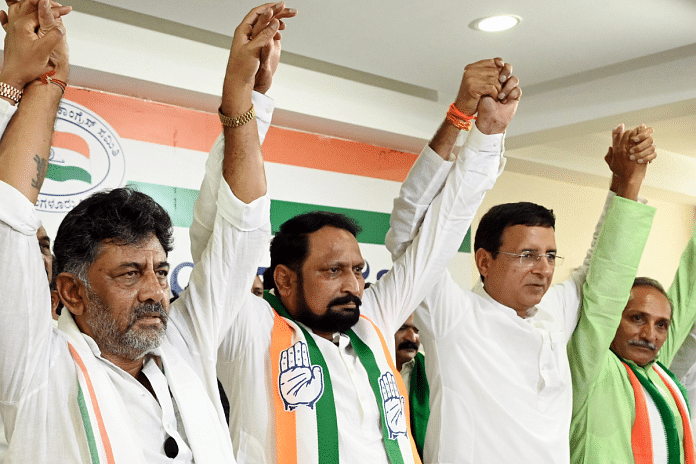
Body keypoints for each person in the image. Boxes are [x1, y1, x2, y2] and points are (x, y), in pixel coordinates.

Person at [192, 13, 520, 460]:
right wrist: (250, 99)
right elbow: (223, 233)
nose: (352, 284)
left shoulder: (373, 325)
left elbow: (443, 230)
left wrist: (485, 132)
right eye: (332, 270)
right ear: (284, 280)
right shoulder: (247, 332)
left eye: (357, 270)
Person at [0, 1, 288, 461]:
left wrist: (243, 98)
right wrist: (34, 85)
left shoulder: (184, 343)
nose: (156, 291)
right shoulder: (33, 367)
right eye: (130, 274)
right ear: (72, 292)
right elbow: (7, 213)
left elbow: (243, 228)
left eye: (159, 270)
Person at [385, 112, 657, 461]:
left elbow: (599, 267)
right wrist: (461, 118)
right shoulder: (452, 315)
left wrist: (625, 182)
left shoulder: (553, 313)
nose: (543, 269)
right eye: (527, 255)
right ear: (484, 261)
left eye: (550, 255)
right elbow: (407, 232)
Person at [571, 274, 696, 463]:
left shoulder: (657, 371)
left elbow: (689, 289)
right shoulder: (592, 366)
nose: (649, 335)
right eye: (637, 318)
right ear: (613, 317)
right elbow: (614, 264)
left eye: (661, 325)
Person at [395, 314, 429, 461]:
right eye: (402, 328)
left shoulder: (429, 369)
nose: (412, 337)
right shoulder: (366, 367)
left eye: (417, 331)